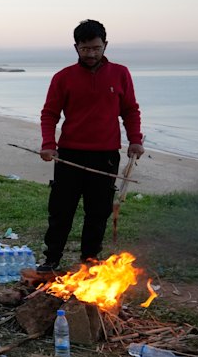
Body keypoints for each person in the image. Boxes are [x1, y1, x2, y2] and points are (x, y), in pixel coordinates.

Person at [38, 19, 144, 272]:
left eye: (96, 48)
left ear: (105, 45)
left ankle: (89, 261)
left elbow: (130, 110)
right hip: (70, 155)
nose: (91, 54)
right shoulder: (63, 77)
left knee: (98, 212)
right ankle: (52, 258)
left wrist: (135, 140)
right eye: (85, 49)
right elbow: (49, 114)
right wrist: (48, 144)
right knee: (61, 211)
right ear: (76, 47)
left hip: (106, 156)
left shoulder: (121, 73)